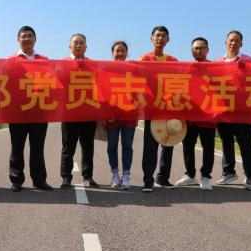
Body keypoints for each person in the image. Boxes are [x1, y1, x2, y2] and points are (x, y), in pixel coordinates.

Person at [7, 26, 53, 192]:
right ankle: (16, 180)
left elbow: (51, 83)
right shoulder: (10, 60)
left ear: (35, 39)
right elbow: (5, 82)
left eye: (30, 36)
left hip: (39, 111)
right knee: (17, 148)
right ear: (18, 40)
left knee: (38, 148)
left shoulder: (44, 60)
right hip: (17, 112)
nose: (27, 39)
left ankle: (39, 180)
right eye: (23, 36)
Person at [214, 30, 251, 190]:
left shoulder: (249, 61)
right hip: (224, 110)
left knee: (245, 144)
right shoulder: (217, 62)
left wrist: (246, 70)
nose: (233, 43)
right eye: (231, 40)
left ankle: (250, 176)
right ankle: (228, 172)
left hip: (243, 111)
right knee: (226, 143)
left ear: (241, 44)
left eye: (237, 41)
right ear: (225, 42)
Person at [139, 26, 178, 192]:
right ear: (151, 38)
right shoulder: (144, 59)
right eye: (157, 35)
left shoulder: (173, 61)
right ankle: (148, 179)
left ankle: (163, 178)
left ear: (168, 39)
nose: (160, 38)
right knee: (150, 145)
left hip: (169, 109)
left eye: (163, 36)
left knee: (168, 143)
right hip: (152, 109)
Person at [175, 37, 216, 191]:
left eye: (201, 48)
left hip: (207, 115)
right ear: (191, 50)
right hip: (189, 115)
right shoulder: (187, 68)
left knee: (208, 147)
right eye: (195, 48)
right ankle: (190, 174)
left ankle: (206, 176)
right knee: (188, 146)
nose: (198, 51)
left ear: (207, 50)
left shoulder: (215, 68)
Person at [60, 33, 99, 189]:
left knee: (88, 147)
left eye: (81, 43)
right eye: (75, 42)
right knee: (68, 148)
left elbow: (100, 86)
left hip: (88, 112)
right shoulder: (62, 63)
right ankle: (66, 177)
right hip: (69, 113)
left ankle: (87, 176)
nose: (78, 45)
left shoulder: (93, 64)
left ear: (86, 47)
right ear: (69, 46)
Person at [104, 41, 136, 190]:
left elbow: (139, 91)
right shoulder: (106, 70)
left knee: (127, 146)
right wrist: (105, 112)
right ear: (112, 53)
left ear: (127, 53)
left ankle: (126, 175)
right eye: (117, 51)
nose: (120, 53)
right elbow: (102, 92)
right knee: (112, 146)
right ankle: (115, 174)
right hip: (112, 114)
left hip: (129, 114)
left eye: (123, 50)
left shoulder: (133, 69)